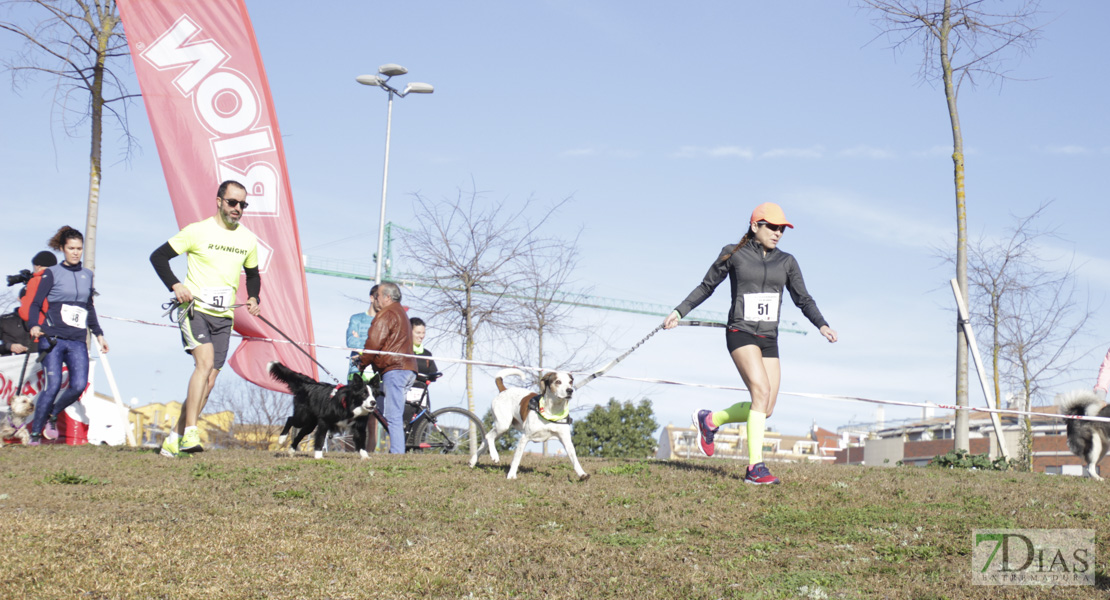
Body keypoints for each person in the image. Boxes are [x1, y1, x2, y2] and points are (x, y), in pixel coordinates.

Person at [663, 202, 837, 485]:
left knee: (766, 407)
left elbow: (803, 298)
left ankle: (710, 420)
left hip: (769, 338)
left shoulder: (787, 261)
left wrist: (822, 324)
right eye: (772, 227)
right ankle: (755, 468)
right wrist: (679, 311)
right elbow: (707, 286)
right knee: (761, 390)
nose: (778, 233)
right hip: (740, 332)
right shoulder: (733, 253)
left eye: (782, 229)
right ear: (755, 225)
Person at [150, 180, 261, 457]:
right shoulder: (197, 231)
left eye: (243, 204)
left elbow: (253, 274)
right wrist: (176, 285)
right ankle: (190, 432)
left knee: (210, 381)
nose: (238, 208)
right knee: (205, 363)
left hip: (224, 316)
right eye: (233, 202)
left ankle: (174, 440)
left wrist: (254, 297)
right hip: (194, 309)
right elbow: (159, 257)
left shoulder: (247, 239)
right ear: (219, 201)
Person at [25, 226, 109, 444]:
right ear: (63, 249)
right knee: (52, 386)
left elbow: (88, 307)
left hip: (77, 340)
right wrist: (34, 325)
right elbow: (34, 303)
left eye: (79, 249)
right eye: (71, 248)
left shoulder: (87, 275)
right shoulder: (52, 273)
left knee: (79, 385)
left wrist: (99, 334)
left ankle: (52, 413)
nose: (75, 252)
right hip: (53, 339)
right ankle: (35, 433)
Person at [359, 282, 417, 454]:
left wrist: (362, 362)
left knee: (393, 416)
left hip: (395, 369)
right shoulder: (401, 313)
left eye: (377, 296)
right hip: (406, 369)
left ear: (387, 297)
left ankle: (397, 455)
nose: (375, 300)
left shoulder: (387, 314)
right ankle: (396, 451)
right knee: (394, 412)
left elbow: (374, 343)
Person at [346, 285, 378, 381]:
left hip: (377, 375)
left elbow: (387, 347)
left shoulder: (387, 323)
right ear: (372, 298)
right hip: (356, 373)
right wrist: (376, 345)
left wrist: (360, 340)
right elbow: (351, 342)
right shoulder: (356, 319)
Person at [409, 317, 439, 392]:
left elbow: (434, 373)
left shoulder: (427, 354)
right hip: (403, 393)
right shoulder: (401, 351)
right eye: (418, 333)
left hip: (421, 395)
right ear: (409, 332)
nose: (421, 336)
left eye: (423, 333)